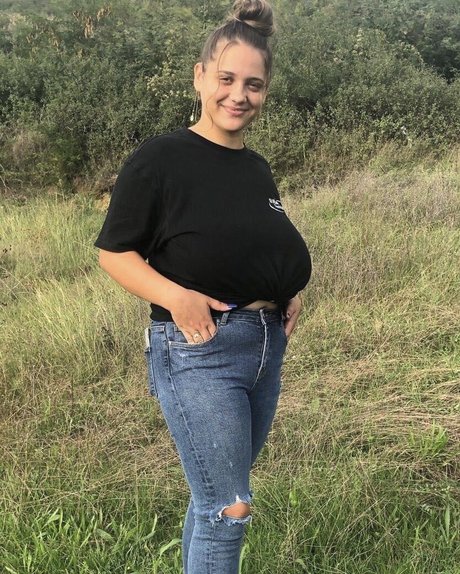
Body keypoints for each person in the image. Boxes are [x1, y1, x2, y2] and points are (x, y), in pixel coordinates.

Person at [94, 1, 311, 572]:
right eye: (226, 79)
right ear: (199, 77)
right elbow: (114, 252)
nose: (239, 95)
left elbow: (258, 243)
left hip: (264, 350)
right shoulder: (161, 159)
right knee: (229, 508)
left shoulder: (256, 168)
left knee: (214, 497)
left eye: (253, 85)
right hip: (200, 351)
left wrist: (287, 288)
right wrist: (175, 296)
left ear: (266, 91)